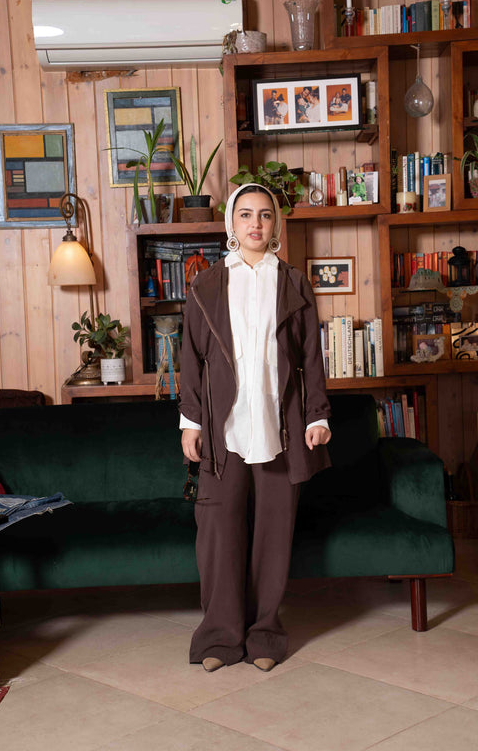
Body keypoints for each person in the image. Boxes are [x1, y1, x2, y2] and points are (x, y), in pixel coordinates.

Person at [179, 183, 332, 673]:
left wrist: (317, 415)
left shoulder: (293, 283)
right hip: (223, 432)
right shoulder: (206, 286)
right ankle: (220, 638)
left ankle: (265, 633)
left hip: (279, 426)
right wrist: (190, 421)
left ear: (276, 225)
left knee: (272, 531)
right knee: (219, 531)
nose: (255, 225)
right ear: (231, 223)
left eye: (265, 216)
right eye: (245, 215)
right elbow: (190, 362)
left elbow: (311, 358)